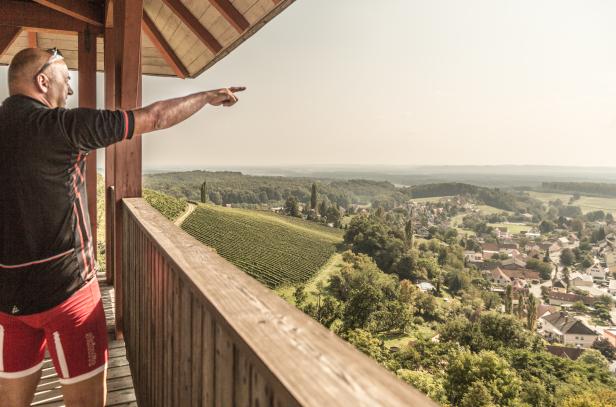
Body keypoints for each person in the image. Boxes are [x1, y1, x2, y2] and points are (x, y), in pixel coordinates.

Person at [0, 47, 245, 407]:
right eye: (66, 80)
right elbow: (155, 117)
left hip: (10, 301)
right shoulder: (64, 127)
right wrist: (205, 96)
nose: (68, 92)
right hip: (69, 297)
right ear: (42, 80)